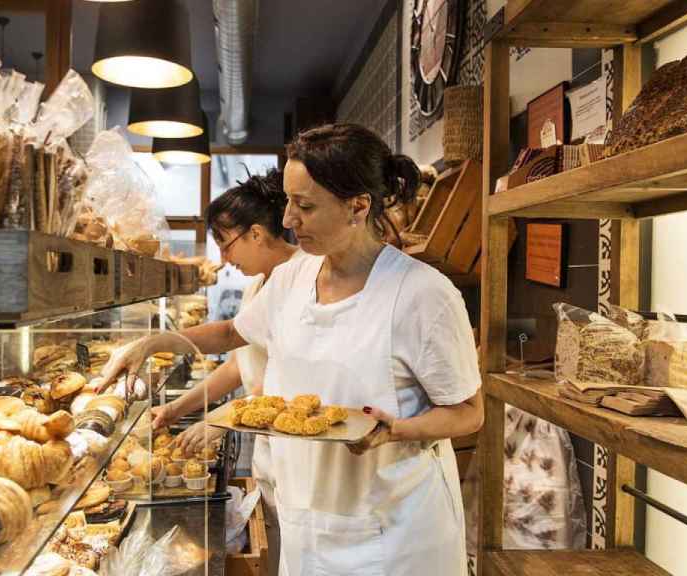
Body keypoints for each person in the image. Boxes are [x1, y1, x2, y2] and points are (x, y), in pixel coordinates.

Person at [99, 123, 483, 576]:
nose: (286, 220)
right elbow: (232, 335)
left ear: (358, 206)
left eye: (304, 206)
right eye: (287, 202)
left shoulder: (422, 295)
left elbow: (468, 412)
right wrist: (158, 341)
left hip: (394, 534)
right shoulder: (291, 280)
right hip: (308, 525)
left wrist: (395, 429)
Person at [153, 168, 299, 576]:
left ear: (256, 233)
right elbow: (241, 362)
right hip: (270, 448)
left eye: (225, 242)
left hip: (299, 450)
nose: (223, 259)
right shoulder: (257, 286)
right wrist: (176, 409)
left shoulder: (305, 279)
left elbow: (300, 382)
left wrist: (224, 418)